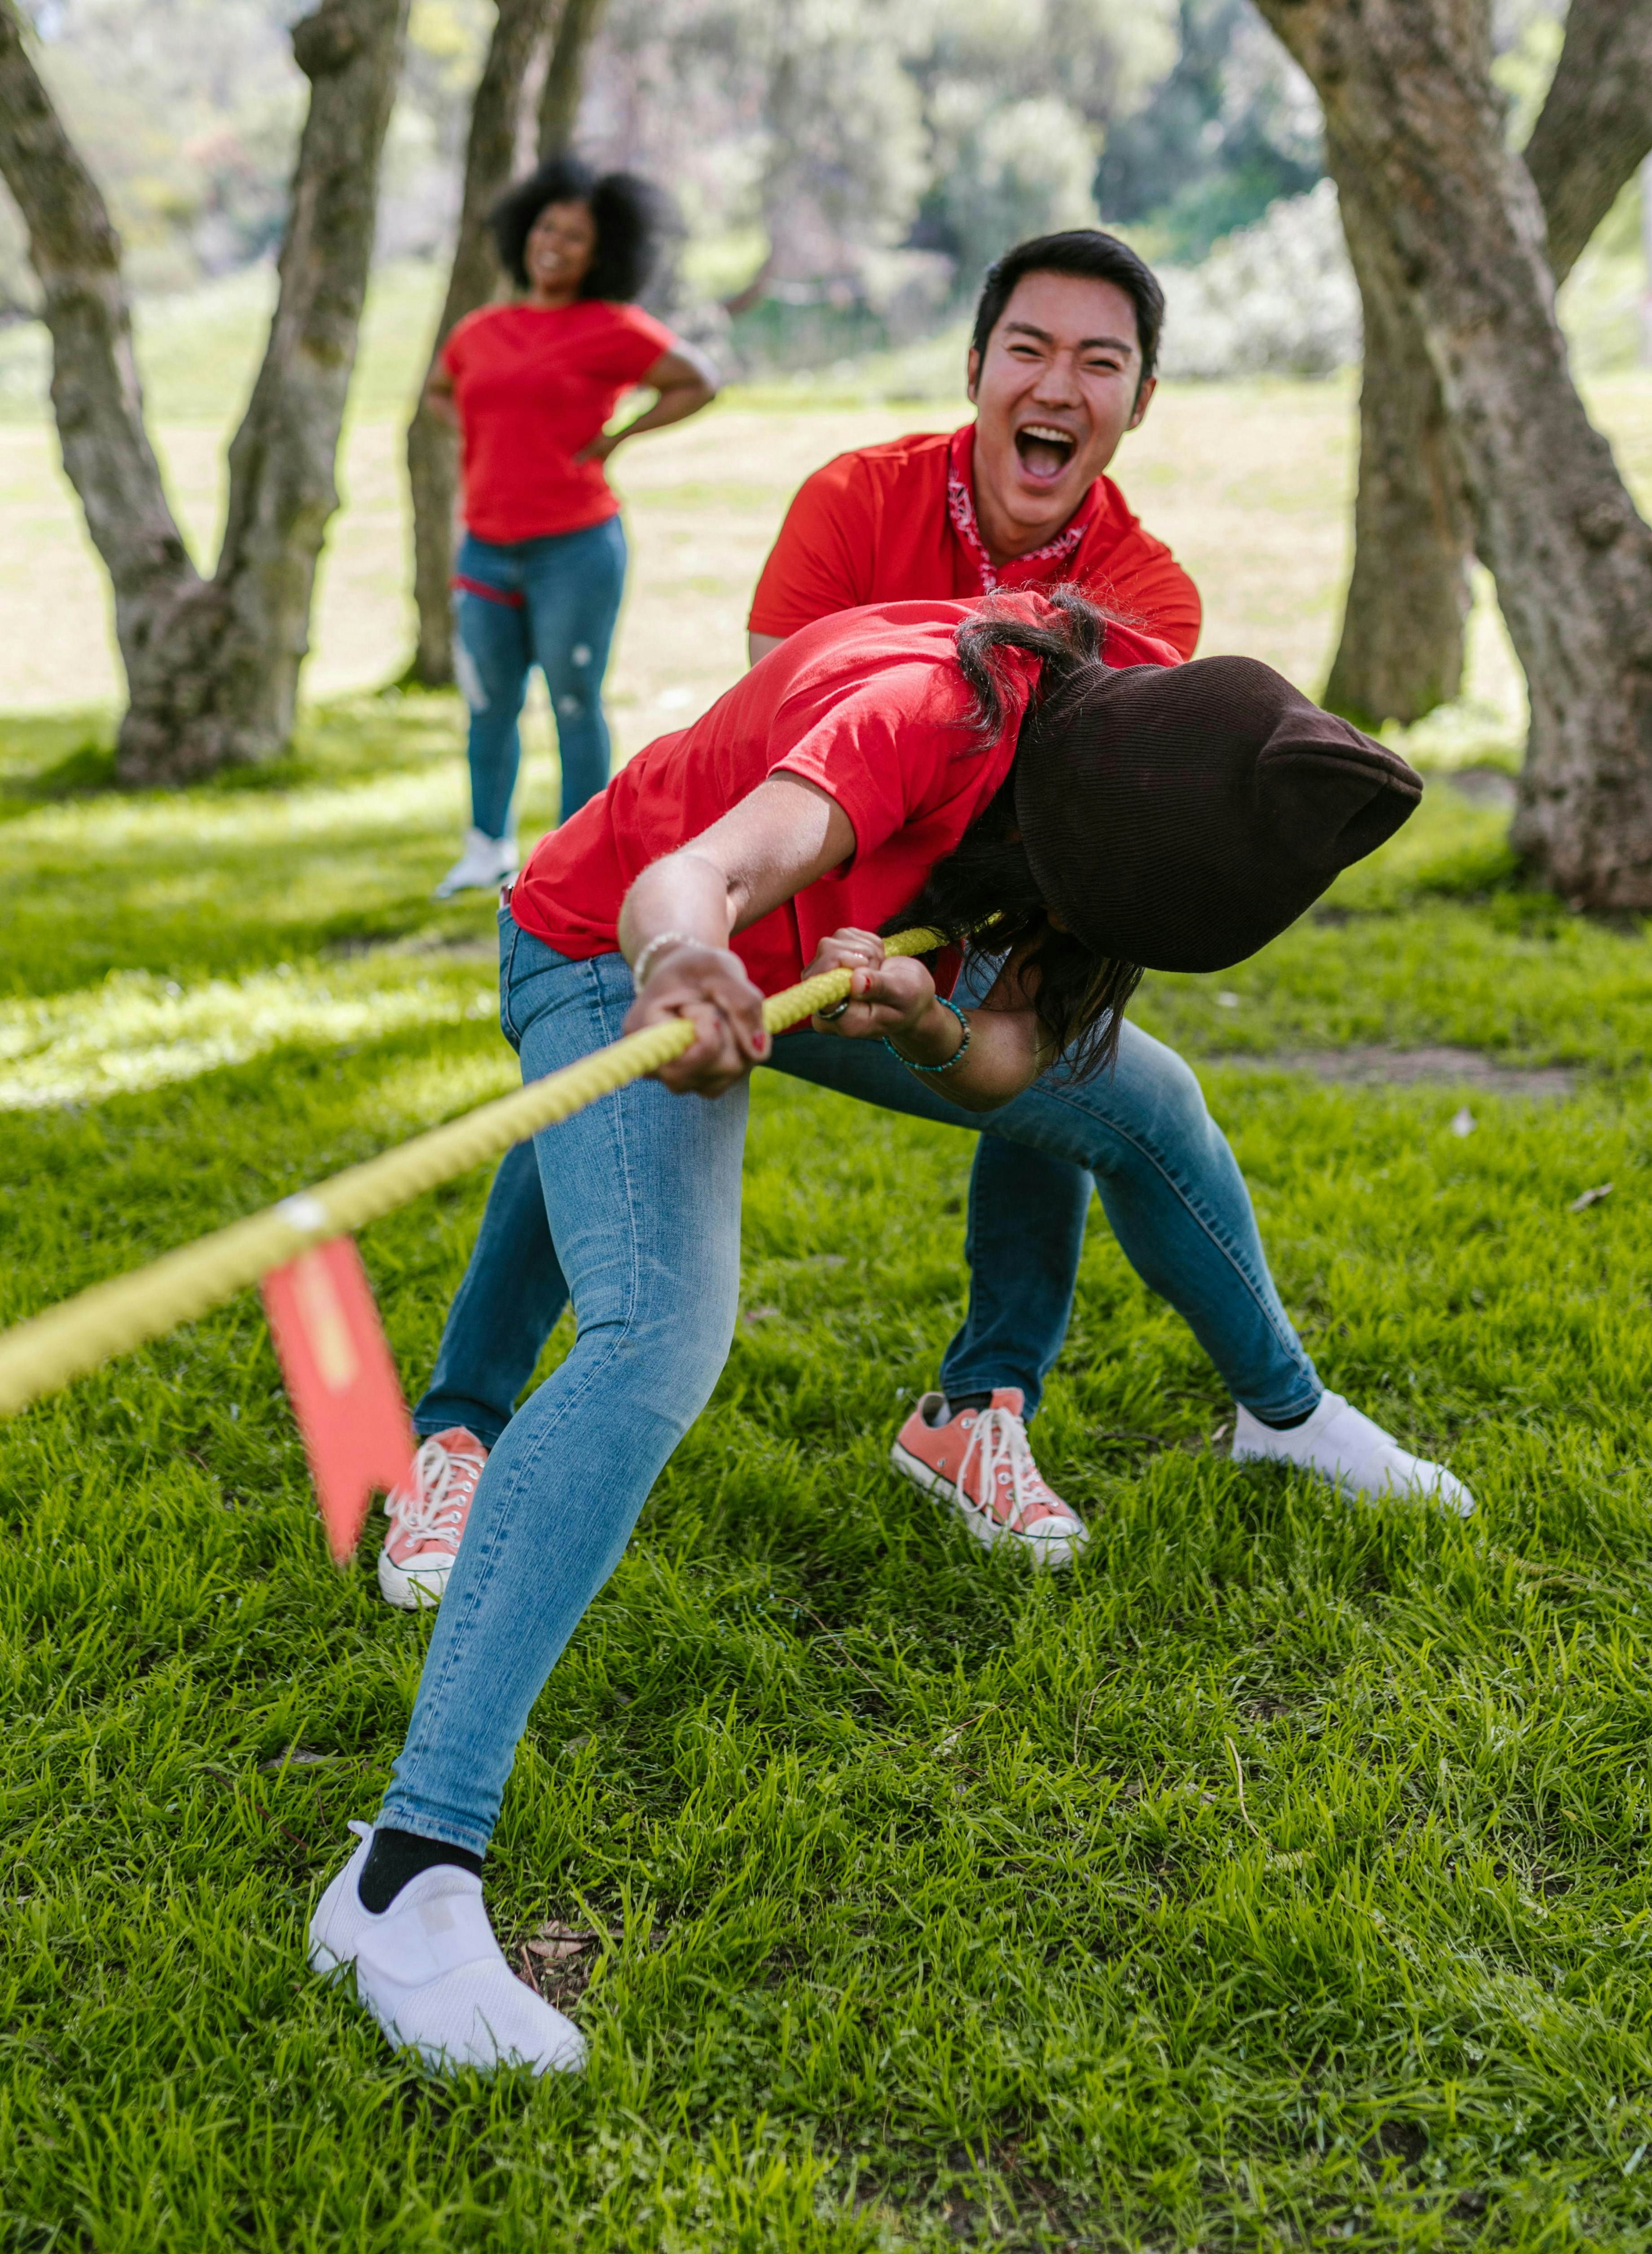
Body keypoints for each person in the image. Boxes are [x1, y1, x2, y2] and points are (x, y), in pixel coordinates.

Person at [312, 589, 1430, 2073]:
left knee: (1140, 1096)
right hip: (606, 946)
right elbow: (691, 873)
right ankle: (399, 1884)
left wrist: (925, 1023)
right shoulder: (924, 716)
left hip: (808, 963)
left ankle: (1285, 1415)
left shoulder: (1130, 766)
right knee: (658, 1337)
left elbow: (1017, 1056)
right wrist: (687, 963)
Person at [377, 228, 1471, 1613]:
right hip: (754, 894)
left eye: (1101, 361)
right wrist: (726, 931)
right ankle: (456, 1434)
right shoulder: (855, 498)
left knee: (1105, 1076)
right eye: (1029, 348)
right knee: (609, 1049)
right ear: (976, 369)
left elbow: (1076, 840)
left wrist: (946, 986)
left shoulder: (1148, 596)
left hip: (942, 941)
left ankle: (1015, 1408)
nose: (1058, 384)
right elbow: (790, 722)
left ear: (1139, 404)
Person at [426, 155, 719, 901]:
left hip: (576, 549)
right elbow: (440, 389)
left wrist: (621, 435)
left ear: (602, 253)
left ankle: (576, 859)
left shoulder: (612, 329)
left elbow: (699, 380)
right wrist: (491, 441)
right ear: (525, 231)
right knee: (489, 705)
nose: (554, 244)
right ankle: (485, 846)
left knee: (572, 701)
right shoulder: (480, 330)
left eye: (576, 236)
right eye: (547, 227)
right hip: (487, 550)